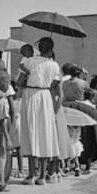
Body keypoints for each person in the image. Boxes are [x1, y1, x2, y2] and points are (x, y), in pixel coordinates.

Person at [19, 37, 61, 184]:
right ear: (51, 49)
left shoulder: (29, 61)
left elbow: (22, 72)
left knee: (31, 132)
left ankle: (31, 174)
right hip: (45, 96)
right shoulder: (54, 65)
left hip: (31, 95)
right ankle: (42, 175)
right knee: (44, 133)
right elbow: (55, 84)